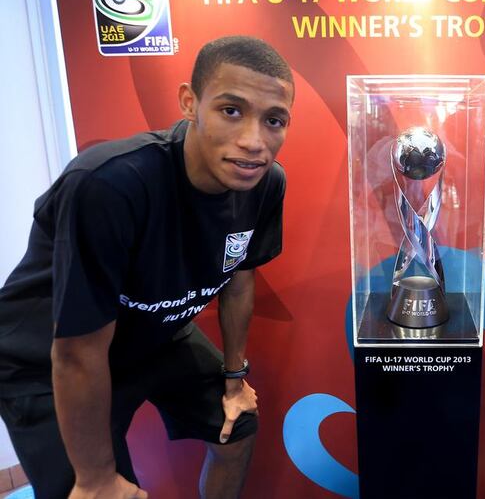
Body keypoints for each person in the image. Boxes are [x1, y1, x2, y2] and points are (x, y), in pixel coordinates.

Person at [0, 35, 294, 499]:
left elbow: (239, 278)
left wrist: (235, 379)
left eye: (274, 120)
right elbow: (76, 351)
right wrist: (96, 480)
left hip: (157, 334)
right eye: (231, 110)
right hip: (49, 357)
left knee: (236, 427)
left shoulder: (263, 183)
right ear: (189, 103)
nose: (254, 141)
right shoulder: (110, 182)